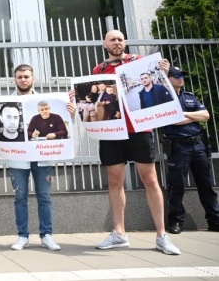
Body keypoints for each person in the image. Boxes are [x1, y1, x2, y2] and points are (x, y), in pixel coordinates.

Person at [91, 30, 180, 255]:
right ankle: (119, 233)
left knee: (150, 179)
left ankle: (162, 235)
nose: (117, 42)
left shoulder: (140, 61)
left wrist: (164, 73)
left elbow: (161, 86)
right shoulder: (98, 70)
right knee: (114, 181)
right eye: (112, 39)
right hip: (112, 131)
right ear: (104, 44)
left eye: (120, 39)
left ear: (125, 42)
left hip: (140, 129)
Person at [0, 64, 74, 251]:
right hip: (18, 157)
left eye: (26, 76)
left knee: (44, 196)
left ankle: (46, 235)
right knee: (20, 197)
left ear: (33, 79)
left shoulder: (48, 102)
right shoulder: (6, 103)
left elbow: (66, 130)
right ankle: (22, 236)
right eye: (20, 77)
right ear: (15, 80)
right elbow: (1, 131)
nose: (23, 80)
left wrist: (71, 114)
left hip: (42, 157)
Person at [160, 66, 219, 234]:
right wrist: (193, 116)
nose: (180, 78)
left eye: (182, 75)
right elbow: (172, 120)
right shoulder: (163, 99)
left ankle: (214, 220)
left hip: (198, 145)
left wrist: (184, 114)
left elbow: (206, 115)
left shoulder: (189, 96)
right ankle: (176, 221)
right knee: (176, 186)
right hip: (179, 146)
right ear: (167, 78)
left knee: (206, 184)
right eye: (176, 75)